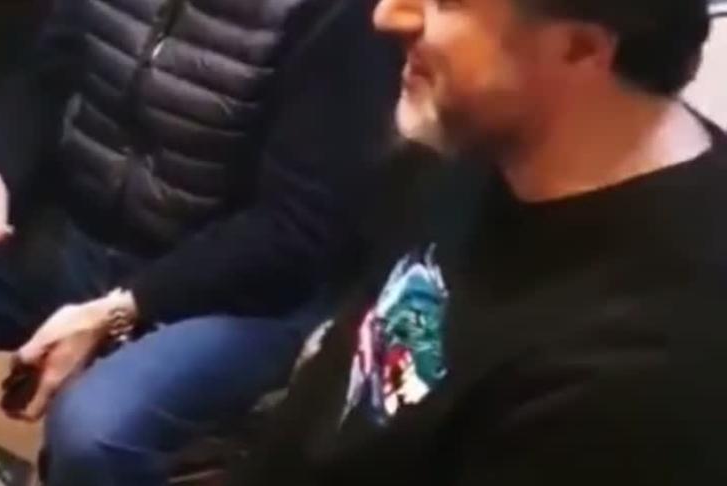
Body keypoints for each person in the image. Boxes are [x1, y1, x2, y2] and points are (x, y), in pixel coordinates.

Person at [0, 0, 400, 482]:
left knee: (94, 433)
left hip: (236, 291)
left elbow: (295, 229)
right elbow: (46, 75)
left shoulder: (338, 15)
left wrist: (124, 307)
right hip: (81, 234)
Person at [227, 0, 727, 485]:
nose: (386, 14)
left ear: (579, 48)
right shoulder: (481, 140)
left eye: (448, 2)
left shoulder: (636, 384)